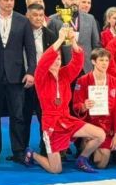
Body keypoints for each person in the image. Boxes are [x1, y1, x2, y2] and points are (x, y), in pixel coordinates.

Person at [23, 29, 106, 174]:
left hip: (66, 119)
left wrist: (73, 41)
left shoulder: (65, 74)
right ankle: (33, 154)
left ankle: (82, 159)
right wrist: (60, 39)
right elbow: (43, 62)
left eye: (59, 59)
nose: (56, 62)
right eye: (54, 59)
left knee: (100, 135)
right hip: (52, 124)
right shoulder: (41, 76)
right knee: (56, 169)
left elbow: (78, 62)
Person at [0, 0, 36, 164]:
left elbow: (30, 49)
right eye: (6, 0)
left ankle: (18, 151)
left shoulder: (23, 20)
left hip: (17, 76)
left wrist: (31, 72)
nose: (9, 3)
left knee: (18, 116)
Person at [72, 48, 116, 169]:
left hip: (107, 128)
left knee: (101, 164)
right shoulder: (82, 81)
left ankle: (110, 152)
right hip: (89, 126)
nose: (104, 63)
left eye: (106, 60)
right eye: (101, 60)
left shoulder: (115, 83)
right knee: (88, 147)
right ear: (93, 61)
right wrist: (83, 106)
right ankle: (83, 150)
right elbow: (75, 105)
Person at [24, 3, 56, 155]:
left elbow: (56, 58)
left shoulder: (50, 34)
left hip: (44, 83)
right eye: (34, 15)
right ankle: (21, 151)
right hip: (25, 81)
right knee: (23, 117)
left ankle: (45, 150)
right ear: (27, 16)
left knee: (44, 117)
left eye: (41, 16)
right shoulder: (20, 33)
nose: (38, 18)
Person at [47, 0, 101, 74]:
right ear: (63, 0)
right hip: (65, 67)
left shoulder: (90, 18)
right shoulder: (53, 19)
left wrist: (97, 65)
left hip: (86, 67)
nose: (75, 2)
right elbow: (51, 46)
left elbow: (96, 45)